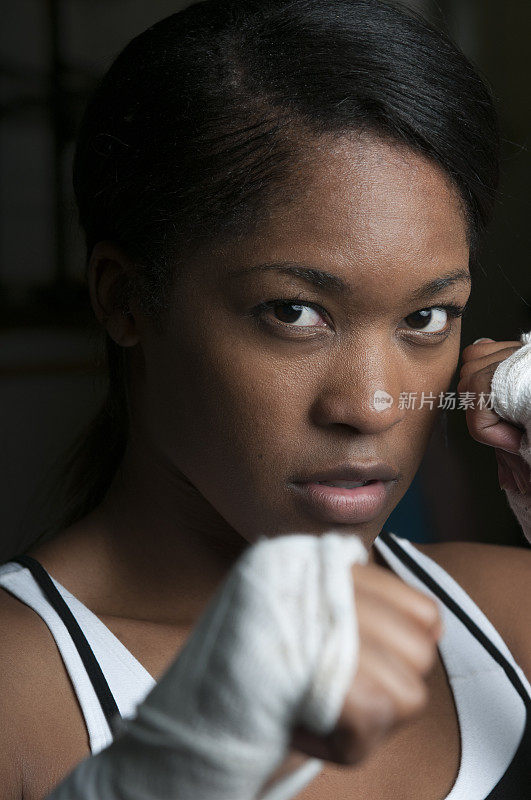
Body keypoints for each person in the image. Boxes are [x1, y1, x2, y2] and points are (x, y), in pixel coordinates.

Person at [0, 0, 529, 797]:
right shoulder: (15, 694)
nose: (374, 406)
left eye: (425, 317)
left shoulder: (510, 614)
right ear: (125, 299)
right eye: (293, 312)